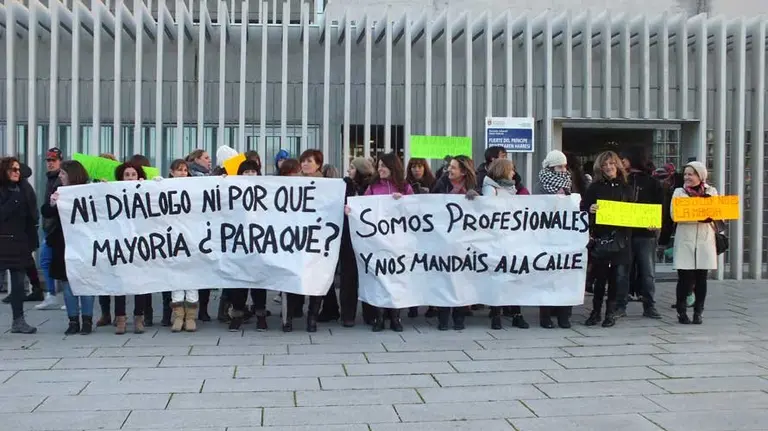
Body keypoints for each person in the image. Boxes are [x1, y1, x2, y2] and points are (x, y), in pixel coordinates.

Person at [362, 153, 415, 332]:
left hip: (398, 241)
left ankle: (395, 316)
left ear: (393, 167)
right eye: (379, 166)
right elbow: (362, 206)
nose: (380, 169)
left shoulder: (405, 187)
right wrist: (350, 210)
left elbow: (415, 210)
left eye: (384, 165)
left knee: (396, 278)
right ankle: (379, 316)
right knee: (379, 278)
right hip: (378, 241)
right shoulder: (373, 186)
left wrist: (404, 201)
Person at [580, 151, 634, 328]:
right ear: (600, 168)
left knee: (616, 278)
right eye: (605, 165)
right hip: (601, 237)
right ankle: (595, 311)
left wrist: (649, 224)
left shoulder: (626, 187)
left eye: (611, 163)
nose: (609, 167)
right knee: (599, 278)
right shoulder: (595, 187)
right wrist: (590, 209)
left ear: (617, 165)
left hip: (621, 238)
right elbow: (583, 208)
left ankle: (610, 312)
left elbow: (636, 212)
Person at [44, 160, 95, 335]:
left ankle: (87, 320)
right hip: (64, 244)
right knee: (67, 283)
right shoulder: (60, 191)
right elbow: (46, 211)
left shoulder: (89, 191)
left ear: (72, 174)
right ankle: (73, 320)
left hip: (85, 244)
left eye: (63, 173)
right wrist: (53, 203)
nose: (60, 176)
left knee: (86, 283)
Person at [481, 158, 530, 330]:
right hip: (496, 240)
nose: (513, 173)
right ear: (502, 171)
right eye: (510, 170)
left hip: (512, 239)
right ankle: (496, 314)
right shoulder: (491, 189)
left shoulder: (512, 188)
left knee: (514, 277)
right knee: (498, 277)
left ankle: (516, 313)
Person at [431, 155, 479, 330]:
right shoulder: (441, 184)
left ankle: (459, 317)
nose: (449, 170)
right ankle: (443, 318)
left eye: (453, 167)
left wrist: (478, 199)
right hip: (443, 239)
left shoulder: (473, 186)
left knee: (462, 279)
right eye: (449, 166)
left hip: (464, 241)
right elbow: (430, 204)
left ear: (463, 171)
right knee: (444, 277)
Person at [616, 147, 664, 319]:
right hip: (625, 232)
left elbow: (659, 206)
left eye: (624, 158)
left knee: (647, 271)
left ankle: (649, 304)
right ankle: (620, 305)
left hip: (645, 233)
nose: (621, 162)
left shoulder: (652, 182)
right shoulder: (621, 181)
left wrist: (656, 223)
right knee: (622, 270)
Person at [671, 161, 718, 325]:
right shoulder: (679, 192)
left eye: (691, 174)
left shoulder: (711, 191)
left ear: (700, 175)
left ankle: (699, 311)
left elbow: (716, 213)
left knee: (701, 279)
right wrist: (700, 215)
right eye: (685, 174)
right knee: (684, 279)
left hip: (705, 240)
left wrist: (698, 213)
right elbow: (675, 214)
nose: (687, 177)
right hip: (685, 240)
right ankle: (681, 311)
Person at [535, 150, 574, 329]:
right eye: (559, 167)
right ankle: (545, 316)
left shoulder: (570, 184)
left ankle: (564, 315)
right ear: (550, 168)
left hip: (566, 237)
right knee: (547, 277)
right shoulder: (540, 186)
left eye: (564, 166)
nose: (563, 170)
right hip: (547, 237)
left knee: (567, 276)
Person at [0, 157, 39, 333]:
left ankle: (18, 320)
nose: (17, 172)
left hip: (20, 243)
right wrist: (15, 200)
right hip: (3, 241)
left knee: (18, 285)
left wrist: (31, 242)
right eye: (13, 169)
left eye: (18, 169)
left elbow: (32, 216)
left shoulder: (24, 188)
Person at [339, 157, 375, 327]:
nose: (349, 170)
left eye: (352, 167)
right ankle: (348, 315)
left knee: (369, 275)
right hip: (348, 237)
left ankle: (370, 313)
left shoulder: (372, 187)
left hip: (369, 238)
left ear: (360, 170)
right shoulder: (345, 186)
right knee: (348, 277)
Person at [405, 157, 437, 318]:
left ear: (425, 168)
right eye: (413, 167)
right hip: (412, 233)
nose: (416, 170)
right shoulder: (405, 184)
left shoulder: (434, 183)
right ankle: (413, 305)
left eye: (419, 166)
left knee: (430, 270)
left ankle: (432, 305)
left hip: (430, 232)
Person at [34, 148, 65, 308]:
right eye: (49, 160)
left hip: (57, 228)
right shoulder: (50, 178)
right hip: (50, 227)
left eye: (54, 160)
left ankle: (59, 294)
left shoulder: (60, 179)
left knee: (52, 261)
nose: (50, 163)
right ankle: (52, 294)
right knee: (46, 260)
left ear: (60, 161)